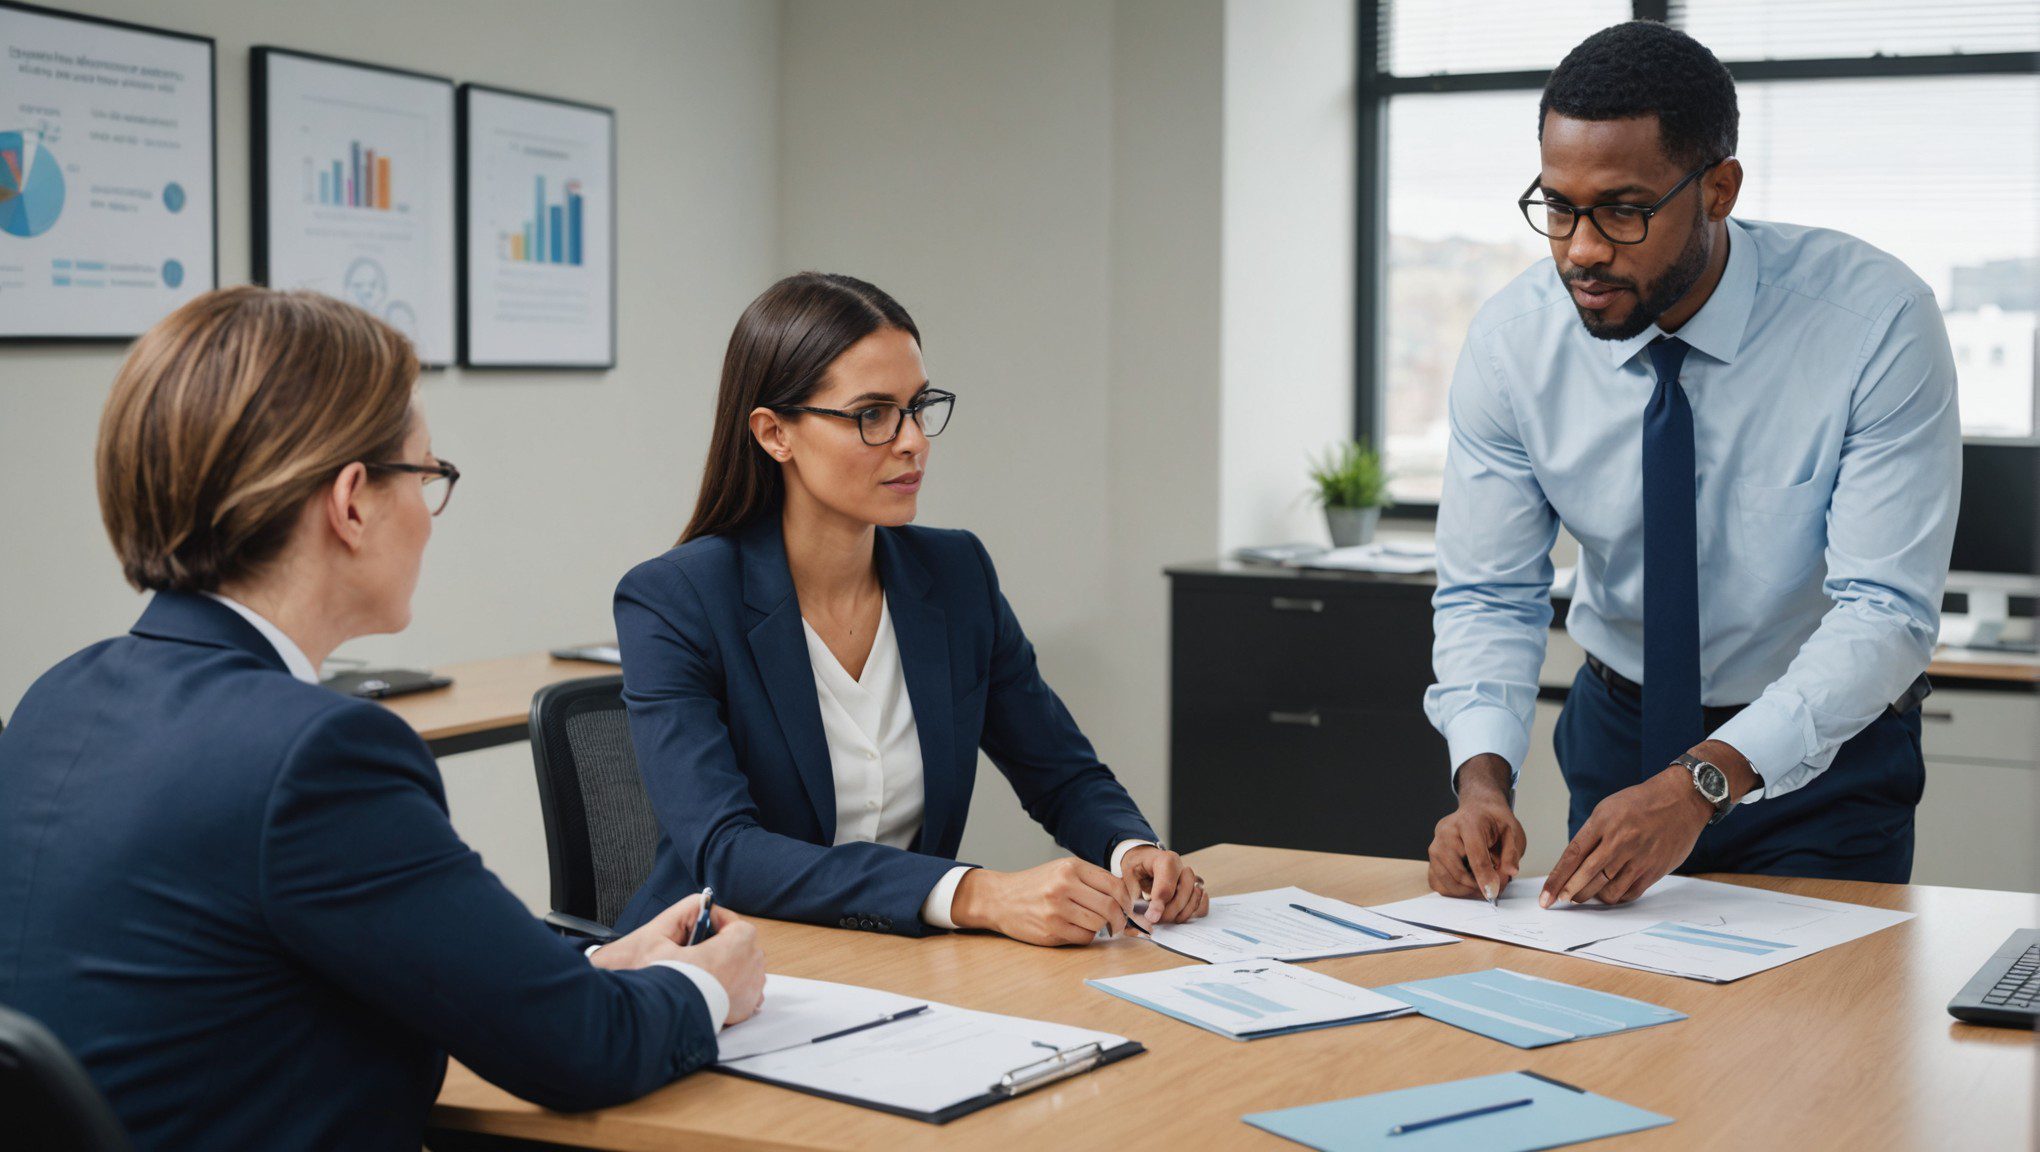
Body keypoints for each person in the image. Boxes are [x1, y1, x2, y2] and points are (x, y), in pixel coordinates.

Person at [0, 287, 766, 1151]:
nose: (430, 516)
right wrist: (709, 986)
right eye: (428, 474)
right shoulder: (314, 755)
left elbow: (377, 950)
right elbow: (580, 1051)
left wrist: (599, 962)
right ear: (353, 501)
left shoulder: (56, 699)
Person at [1423, 22, 1958, 908]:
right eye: (1558, 207)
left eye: (1623, 210)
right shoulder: (1514, 344)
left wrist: (1699, 785)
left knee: (1813, 1035)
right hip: (1617, 735)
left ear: (1719, 188)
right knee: (1613, 1026)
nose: (1582, 249)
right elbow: (1489, 592)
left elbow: (1886, 612)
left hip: (1824, 760)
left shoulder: (1874, 323)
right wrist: (1480, 782)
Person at [613, 272, 1208, 946]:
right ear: (775, 433)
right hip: (717, 968)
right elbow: (727, 853)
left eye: (917, 407)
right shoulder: (674, 600)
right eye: (872, 414)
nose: (913, 440)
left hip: (897, 972)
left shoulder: (955, 576)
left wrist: (1129, 852)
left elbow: (1061, 773)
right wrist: (973, 892)